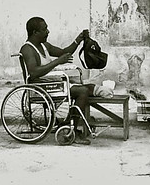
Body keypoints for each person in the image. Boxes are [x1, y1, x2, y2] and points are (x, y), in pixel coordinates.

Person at [20, 17, 95, 145]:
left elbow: (64, 52)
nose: (48, 31)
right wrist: (57, 62)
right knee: (82, 91)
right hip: (42, 87)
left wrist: (78, 39)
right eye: (44, 29)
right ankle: (72, 131)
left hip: (52, 83)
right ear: (35, 32)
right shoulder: (27, 49)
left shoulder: (44, 46)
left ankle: (69, 122)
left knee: (90, 88)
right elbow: (34, 72)